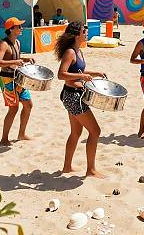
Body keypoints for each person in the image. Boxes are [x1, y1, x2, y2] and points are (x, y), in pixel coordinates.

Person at [57, 21, 106, 178]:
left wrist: (95, 73)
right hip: (73, 96)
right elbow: (61, 74)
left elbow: (79, 70)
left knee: (76, 133)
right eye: (84, 30)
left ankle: (66, 167)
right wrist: (81, 76)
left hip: (74, 95)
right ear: (77, 34)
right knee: (95, 131)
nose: (86, 32)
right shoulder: (70, 52)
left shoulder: (79, 51)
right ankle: (91, 170)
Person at [0, 17, 35, 146]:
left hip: (18, 78)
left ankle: (21, 134)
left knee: (28, 105)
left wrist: (25, 59)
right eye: (18, 26)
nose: (21, 28)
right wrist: (15, 62)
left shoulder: (17, 42)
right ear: (11, 29)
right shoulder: (4, 44)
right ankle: (4, 139)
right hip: (7, 79)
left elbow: (15, 58)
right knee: (13, 108)